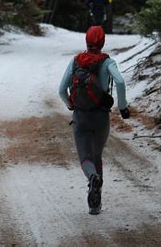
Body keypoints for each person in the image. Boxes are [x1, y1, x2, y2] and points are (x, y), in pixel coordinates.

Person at [58, 25, 130, 215]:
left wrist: (71, 105)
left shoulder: (76, 61)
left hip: (81, 116)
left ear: (86, 41)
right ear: (103, 42)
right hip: (101, 116)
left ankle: (92, 178)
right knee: (97, 156)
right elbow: (121, 82)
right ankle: (95, 205)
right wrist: (122, 108)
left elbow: (61, 89)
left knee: (85, 157)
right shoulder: (108, 63)